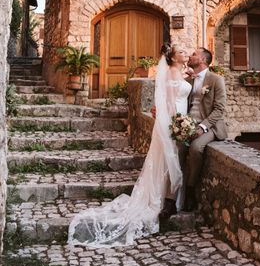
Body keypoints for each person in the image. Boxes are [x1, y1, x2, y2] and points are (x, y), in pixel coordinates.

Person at [68, 44, 192, 248]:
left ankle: (171, 198)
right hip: (173, 120)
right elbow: (169, 101)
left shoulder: (181, 71)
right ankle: (164, 199)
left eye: (186, 51)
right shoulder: (170, 72)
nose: (185, 53)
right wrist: (173, 122)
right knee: (167, 158)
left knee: (169, 158)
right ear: (172, 57)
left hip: (180, 117)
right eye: (181, 52)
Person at [180, 47, 227, 211]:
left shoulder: (216, 79)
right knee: (177, 148)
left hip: (211, 127)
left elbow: (220, 109)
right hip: (188, 126)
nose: (190, 56)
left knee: (195, 148)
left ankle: (191, 190)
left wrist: (202, 127)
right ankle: (176, 191)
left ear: (203, 60)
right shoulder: (189, 81)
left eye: (194, 54)